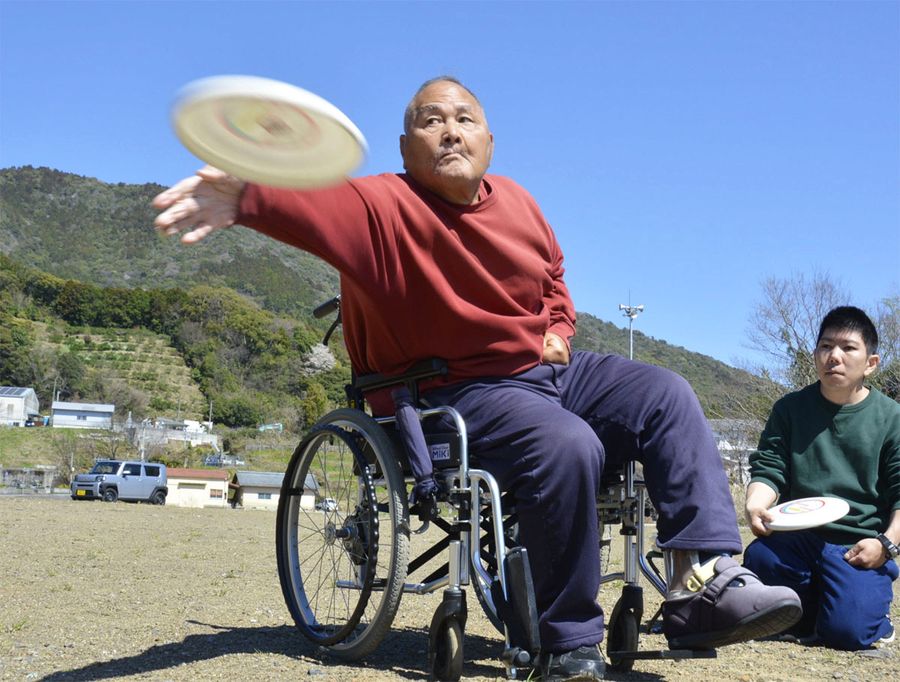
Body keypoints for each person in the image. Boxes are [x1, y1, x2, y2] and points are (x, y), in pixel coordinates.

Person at [154, 77, 800, 680]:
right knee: (566, 443)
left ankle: (704, 584)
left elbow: (554, 280)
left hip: (542, 373)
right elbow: (312, 208)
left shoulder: (519, 201)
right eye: (430, 121)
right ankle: (568, 640)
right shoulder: (381, 204)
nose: (451, 131)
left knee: (665, 392)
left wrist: (559, 329)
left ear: (490, 140)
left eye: (466, 118)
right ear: (407, 147)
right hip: (453, 391)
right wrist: (243, 196)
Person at [744, 306, 900, 650]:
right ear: (815, 355)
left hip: (857, 543)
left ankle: (869, 614)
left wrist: (886, 545)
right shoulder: (789, 409)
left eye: (848, 348)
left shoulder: (892, 418)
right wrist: (756, 504)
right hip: (798, 536)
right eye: (826, 346)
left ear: (871, 363)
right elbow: (769, 468)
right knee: (759, 557)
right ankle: (811, 609)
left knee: (848, 633)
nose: (834, 357)